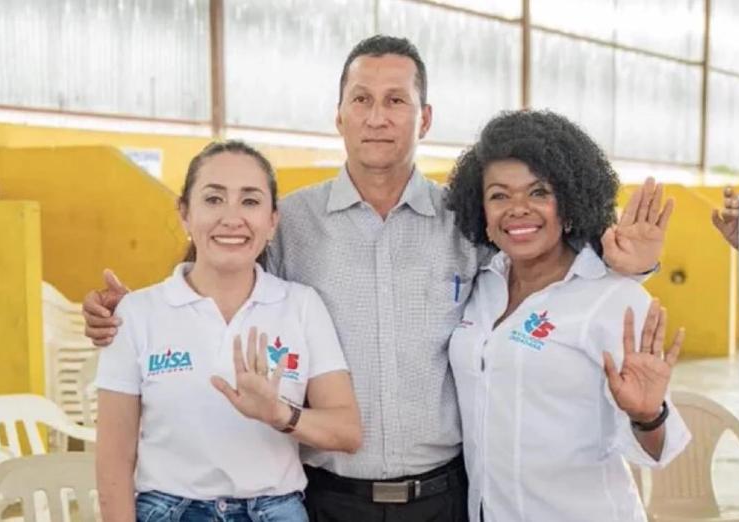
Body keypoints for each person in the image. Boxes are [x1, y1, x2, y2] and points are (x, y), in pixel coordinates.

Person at [84, 36, 669, 522]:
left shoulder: (467, 220)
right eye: (361, 99)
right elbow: (221, 271)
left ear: (426, 117)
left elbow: (543, 258)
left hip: (447, 499)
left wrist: (629, 264)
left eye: (396, 100)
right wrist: (135, 313)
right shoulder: (293, 222)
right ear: (338, 114)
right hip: (325, 498)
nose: (378, 116)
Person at [95, 140, 361, 522]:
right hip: (170, 510)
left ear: (272, 221)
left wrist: (279, 413)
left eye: (250, 201)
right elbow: (113, 464)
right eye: (214, 199)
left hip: (277, 511)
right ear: (185, 213)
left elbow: (346, 431)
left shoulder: (302, 306)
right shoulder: (137, 314)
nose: (232, 218)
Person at [446, 110, 691, 522]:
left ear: (570, 201)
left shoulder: (613, 297)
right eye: (499, 195)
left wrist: (647, 416)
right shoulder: (480, 285)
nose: (518, 209)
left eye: (539, 192)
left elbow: (659, 451)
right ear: (480, 208)